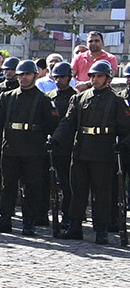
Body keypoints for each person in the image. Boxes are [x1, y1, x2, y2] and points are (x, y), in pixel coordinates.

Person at [56, 59, 130, 243]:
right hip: (81, 149)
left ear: (108, 79)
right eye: (93, 76)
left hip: (104, 151)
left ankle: (101, 229)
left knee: (102, 193)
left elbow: (127, 129)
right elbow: (67, 122)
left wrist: (123, 144)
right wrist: (56, 139)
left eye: (100, 76)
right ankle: (75, 226)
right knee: (77, 191)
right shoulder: (79, 97)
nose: (95, 79)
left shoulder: (117, 101)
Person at [0, 60, 57, 235]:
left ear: (35, 75)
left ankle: (29, 222)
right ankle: (5, 220)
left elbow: (53, 123)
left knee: (32, 187)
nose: (24, 78)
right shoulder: (7, 97)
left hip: (33, 149)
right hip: (10, 147)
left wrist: (52, 140)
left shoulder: (43, 99)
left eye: (27, 74)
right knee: (7, 186)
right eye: (21, 74)